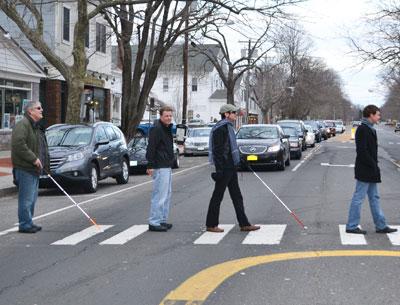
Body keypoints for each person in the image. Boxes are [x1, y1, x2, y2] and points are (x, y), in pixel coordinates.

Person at [206, 104, 260, 233]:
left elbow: (231, 147)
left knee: (237, 196)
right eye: (233, 113)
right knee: (217, 196)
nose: (235, 115)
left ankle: (244, 224)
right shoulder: (221, 128)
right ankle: (211, 224)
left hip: (231, 166)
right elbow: (218, 151)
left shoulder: (228, 127)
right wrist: (220, 169)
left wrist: (239, 160)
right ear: (226, 114)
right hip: (224, 168)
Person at [346, 105, 397, 234]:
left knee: (374, 197)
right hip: (365, 169)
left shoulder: (370, 129)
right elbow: (362, 151)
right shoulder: (363, 129)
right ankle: (352, 226)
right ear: (371, 115)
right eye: (378, 115)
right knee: (359, 197)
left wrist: (374, 166)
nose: (379, 117)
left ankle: (380, 225)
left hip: (371, 169)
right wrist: (373, 165)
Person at [11, 101, 49, 233]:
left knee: (32, 198)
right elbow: (18, 144)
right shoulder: (23, 125)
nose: (41, 110)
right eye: (38, 108)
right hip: (25, 168)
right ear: (30, 111)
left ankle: (29, 221)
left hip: (34, 169)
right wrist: (33, 159)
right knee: (26, 198)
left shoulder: (34, 127)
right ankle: (24, 224)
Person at [146, 106, 175, 232]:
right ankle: (154, 221)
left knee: (167, 194)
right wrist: (150, 165)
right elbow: (151, 147)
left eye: (170, 116)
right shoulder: (157, 129)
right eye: (166, 116)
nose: (168, 118)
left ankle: (162, 219)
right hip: (159, 165)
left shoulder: (167, 128)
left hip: (166, 165)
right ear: (161, 116)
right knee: (159, 195)